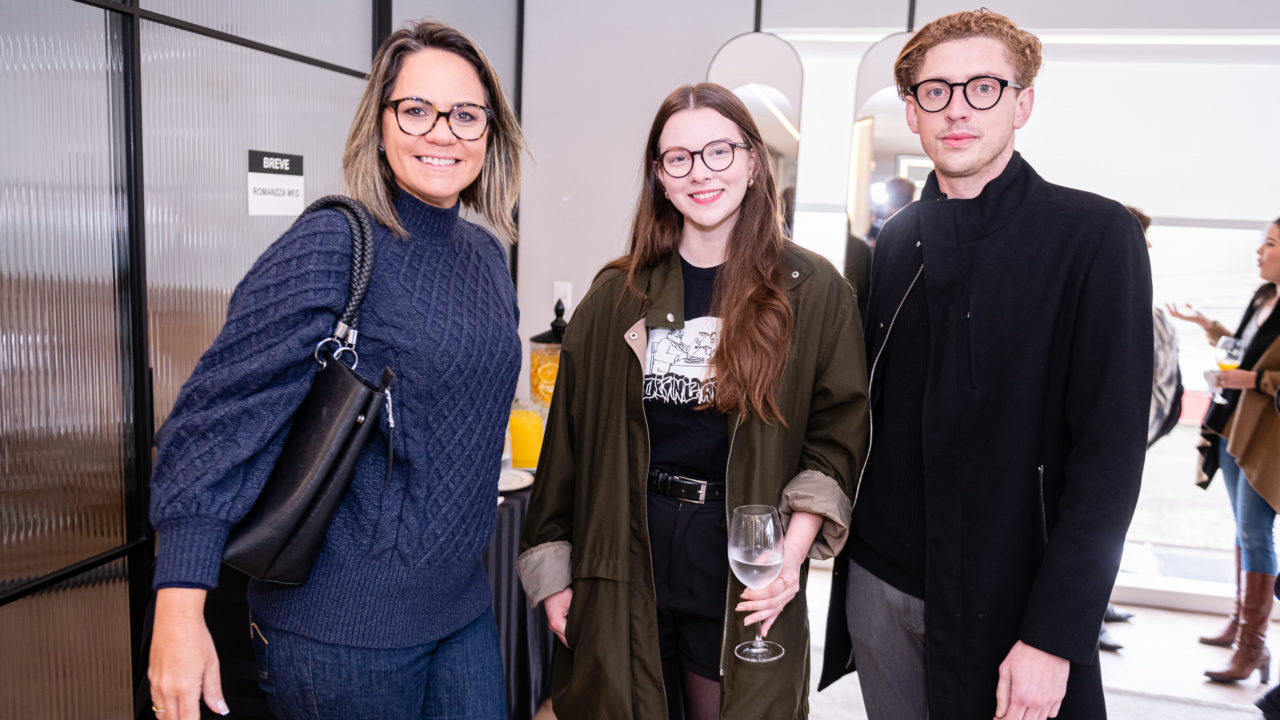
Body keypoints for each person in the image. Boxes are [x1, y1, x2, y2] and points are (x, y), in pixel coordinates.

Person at [146, 21, 526, 720]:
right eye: (416, 110)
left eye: (465, 114)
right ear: (380, 124)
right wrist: (179, 606)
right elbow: (210, 423)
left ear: (490, 133)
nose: (442, 132)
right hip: (340, 631)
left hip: (462, 607)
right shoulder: (333, 242)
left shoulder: (487, 257)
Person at [819, 10, 1152, 720]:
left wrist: (1056, 636)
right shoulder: (898, 237)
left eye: (982, 87)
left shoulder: (1094, 236)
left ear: (1022, 102)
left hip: (1011, 600)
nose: (958, 109)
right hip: (880, 588)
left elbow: (1110, 462)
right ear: (911, 111)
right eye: (935, 91)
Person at [518, 83, 869, 720]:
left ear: (753, 160)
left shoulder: (814, 292)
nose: (699, 173)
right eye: (677, 158)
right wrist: (555, 574)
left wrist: (786, 559)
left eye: (718, 152)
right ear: (659, 174)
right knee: (625, 700)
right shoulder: (615, 296)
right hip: (626, 541)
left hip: (740, 551)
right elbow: (566, 445)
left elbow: (836, 438)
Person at [1167, 217, 1280, 683]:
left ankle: (1253, 645)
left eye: (1269, 244)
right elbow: (1243, 349)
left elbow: (1255, 371)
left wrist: (1253, 381)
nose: (1259, 252)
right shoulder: (1262, 298)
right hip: (1236, 426)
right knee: (1242, 530)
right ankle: (1241, 626)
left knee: (1256, 532)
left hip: (1267, 438)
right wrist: (1205, 325)